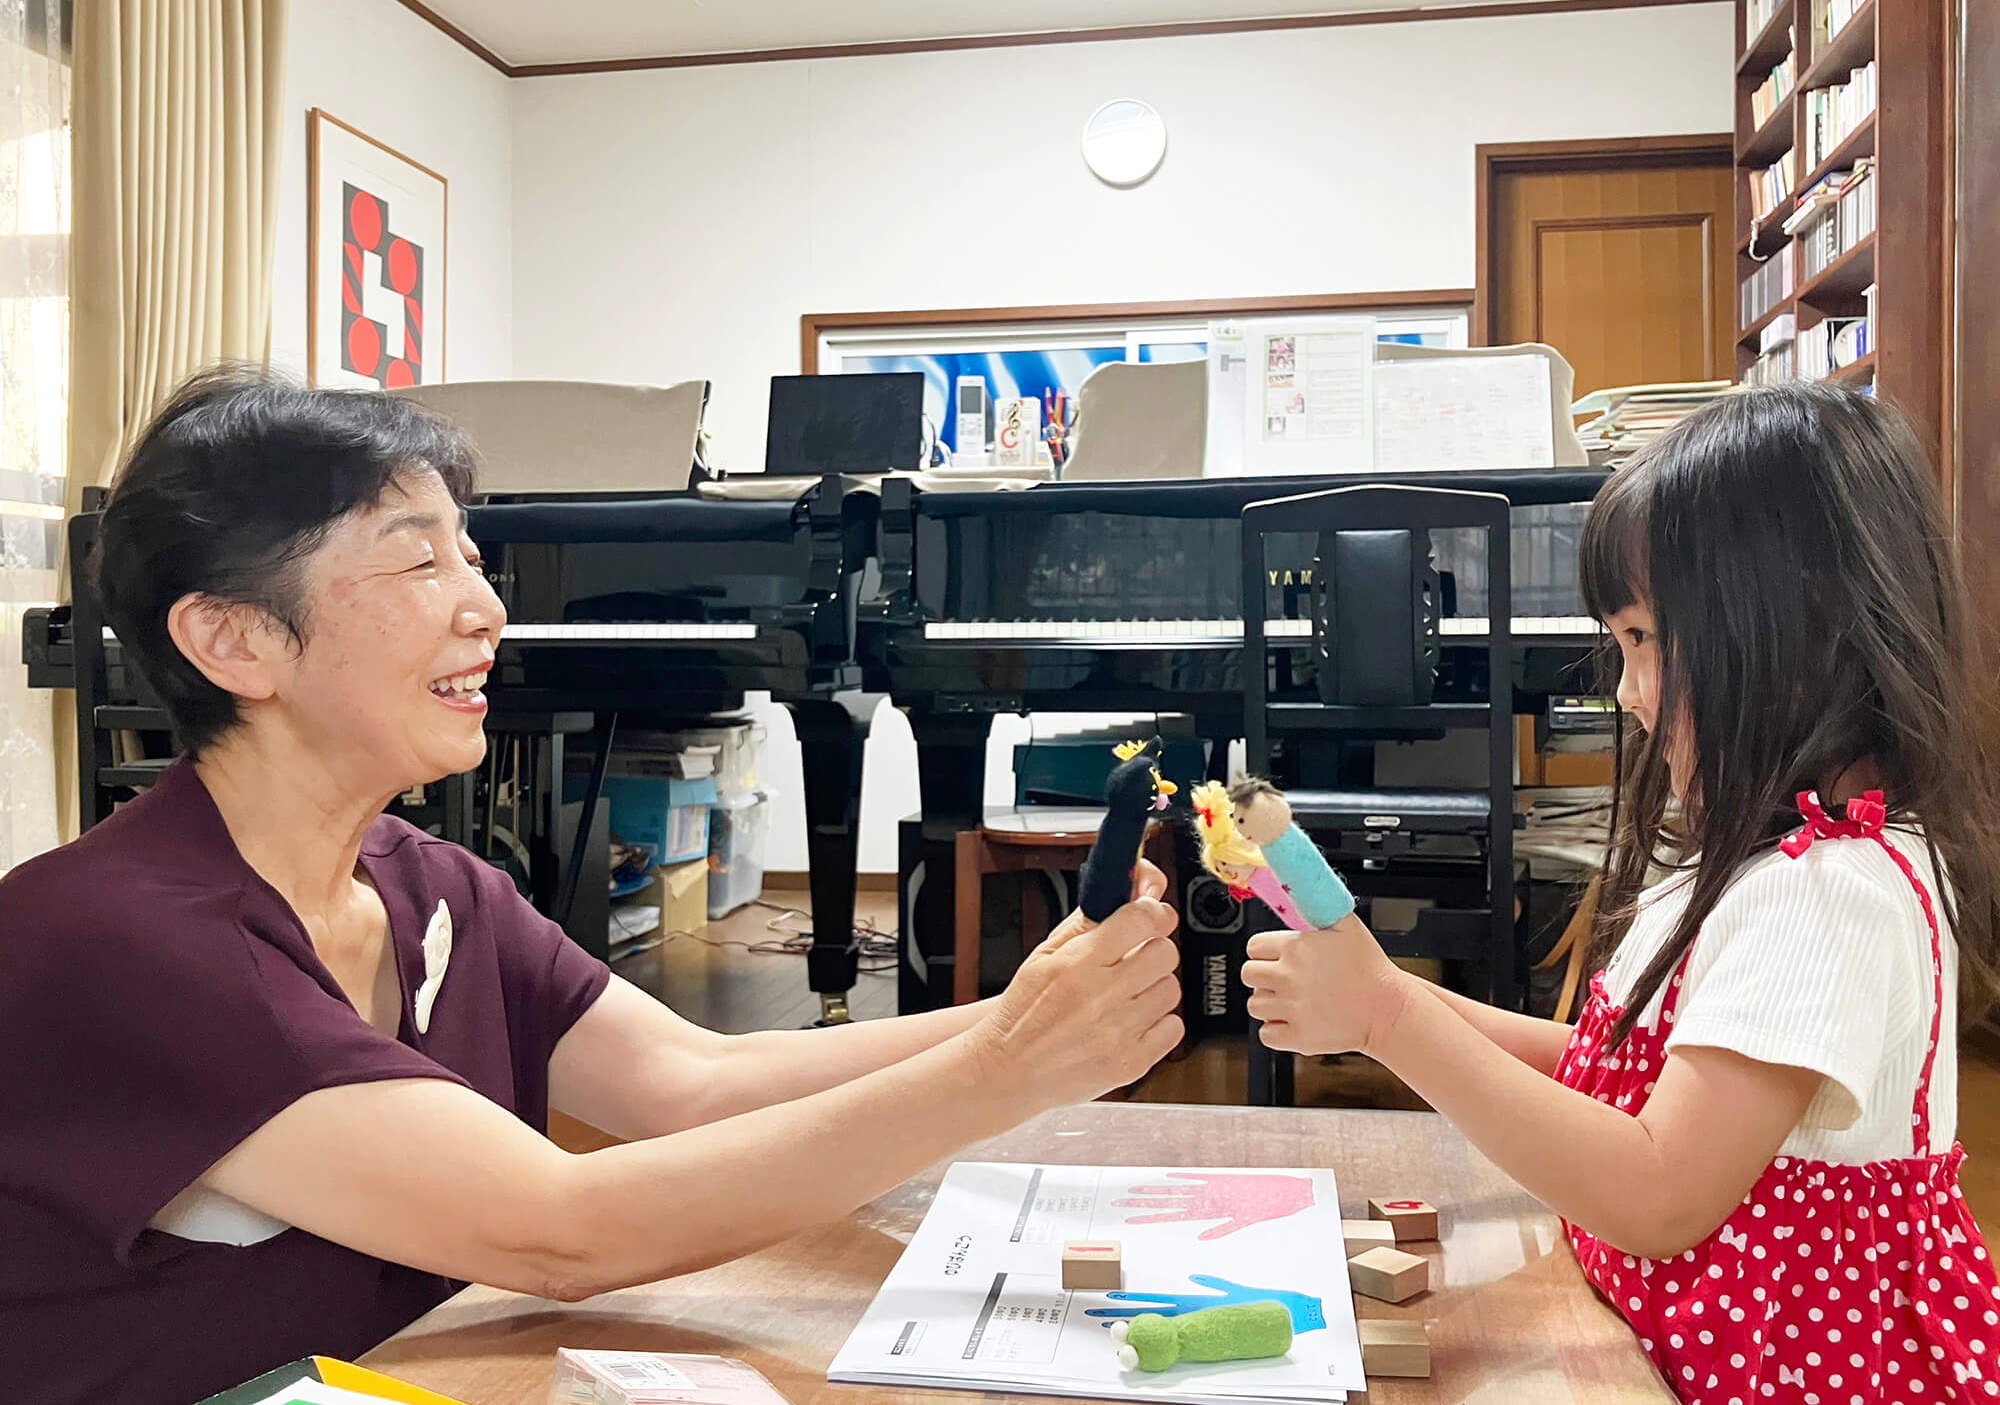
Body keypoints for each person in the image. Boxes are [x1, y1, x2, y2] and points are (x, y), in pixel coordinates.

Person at [0, 369, 1183, 1405]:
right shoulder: (114, 939)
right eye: (417, 561)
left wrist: (1023, 1009)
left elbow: (691, 1080)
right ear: (235, 640)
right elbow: (556, 1229)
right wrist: (1010, 1068)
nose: (488, 607)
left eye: (472, 557)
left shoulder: (432, 886)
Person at [1242, 382, 2000, 1402]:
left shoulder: (1826, 894)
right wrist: (1396, 994)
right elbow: (1619, 1072)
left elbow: (1655, 1190)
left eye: (1641, 640)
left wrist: (1382, 1017)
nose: (1623, 691)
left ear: (1786, 630)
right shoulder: (1767, 852)